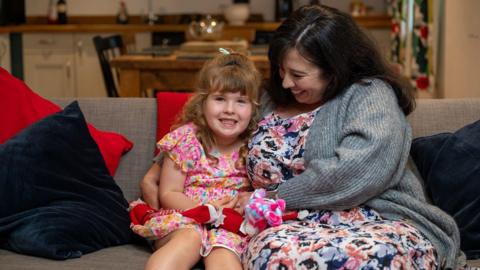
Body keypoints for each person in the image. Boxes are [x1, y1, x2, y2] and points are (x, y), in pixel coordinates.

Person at [142, 5, 463, 269]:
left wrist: (270, 197)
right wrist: (159, 171)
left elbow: (356, 174)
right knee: (274, 255)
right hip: (283, 225)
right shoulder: (269, 99)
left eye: (297, 75)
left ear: (334, 70)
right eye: (281, 70)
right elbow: (212, 127)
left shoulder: (370, 96)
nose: (284, 83)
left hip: (374, 219)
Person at [135, 50, 262, 270]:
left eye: (241, 101)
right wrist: (206, 210)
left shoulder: (256, 144)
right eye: (220, 99)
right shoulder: (187, 140)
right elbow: (169, 193)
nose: (230, 110)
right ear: (202, 102)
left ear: (253, 108)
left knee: (224, 253)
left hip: (229, 226)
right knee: (188, 240)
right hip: (187, 217)